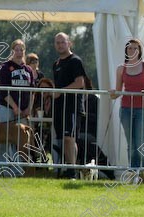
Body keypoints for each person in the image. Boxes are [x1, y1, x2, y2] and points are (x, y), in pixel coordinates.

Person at [110, 38, 144, 183]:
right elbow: (118, 92)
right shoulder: (121, 68)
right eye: (130, 48)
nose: (132, 51)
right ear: (126, 50)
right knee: (131, 144)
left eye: (135, 48)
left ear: (140, 51)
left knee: (140, 143)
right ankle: (134, 173)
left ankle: (143, 172)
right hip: (125, 109)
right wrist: (113, 92)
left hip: (143, 110)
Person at [53, 32, 87, 178]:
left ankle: (72, 171)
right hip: (59, 106)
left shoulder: (75, 61)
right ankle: (69, 168)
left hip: (72, 106)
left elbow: (80, 83)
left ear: (69, 43)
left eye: (63, 42)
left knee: (69, 137)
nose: (60, 45)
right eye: (57, 42)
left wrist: (61, 91)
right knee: (64, 139)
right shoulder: (56, 64)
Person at [0, 39, 34, 123]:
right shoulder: (5, 67)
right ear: (12, 51)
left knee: (21, 135)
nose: (19, 53)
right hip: (7, 108)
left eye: (21, 50)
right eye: (16, 50)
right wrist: (15, 107)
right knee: (6, 135)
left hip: (23, 112)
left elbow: (33, 91)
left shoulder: (28, 70)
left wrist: (29, 108)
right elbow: (4, 91)